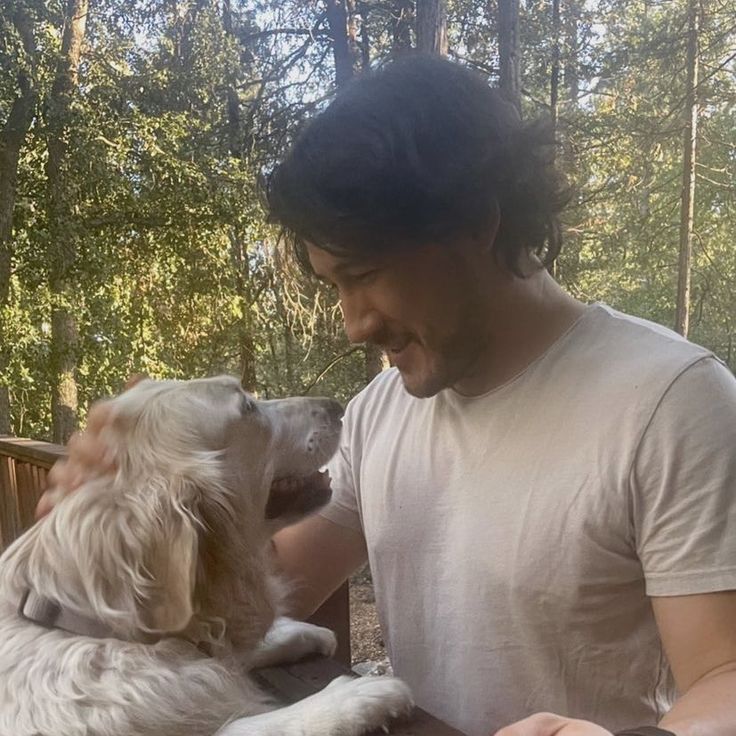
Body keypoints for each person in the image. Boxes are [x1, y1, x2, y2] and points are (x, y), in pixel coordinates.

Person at [41, 56, 736, 736]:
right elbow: (248, 587)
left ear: (476, 222)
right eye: (333, 286)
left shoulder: (670, 402)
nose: (353, 324)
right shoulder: (383, 411)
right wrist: (119, 524)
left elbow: (722, 678)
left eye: (365, 273)